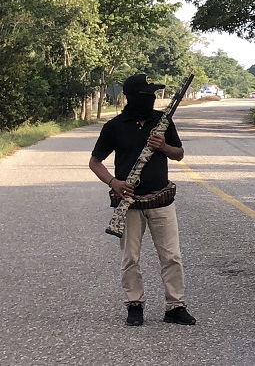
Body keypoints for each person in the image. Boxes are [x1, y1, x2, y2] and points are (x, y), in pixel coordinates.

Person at [88, 73, 197, 327]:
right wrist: (114, 183)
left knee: (172, 256)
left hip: (161, 199)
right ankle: (134, 305)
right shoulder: (114, 127)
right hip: (130, 203)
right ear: (132, 97)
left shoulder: (163, 121)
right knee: (130, 258)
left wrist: (164, 147)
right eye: (145, 95)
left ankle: (175, 306)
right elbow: (95, 162)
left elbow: (179, 154)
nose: (150, 99)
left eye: (152, 95)